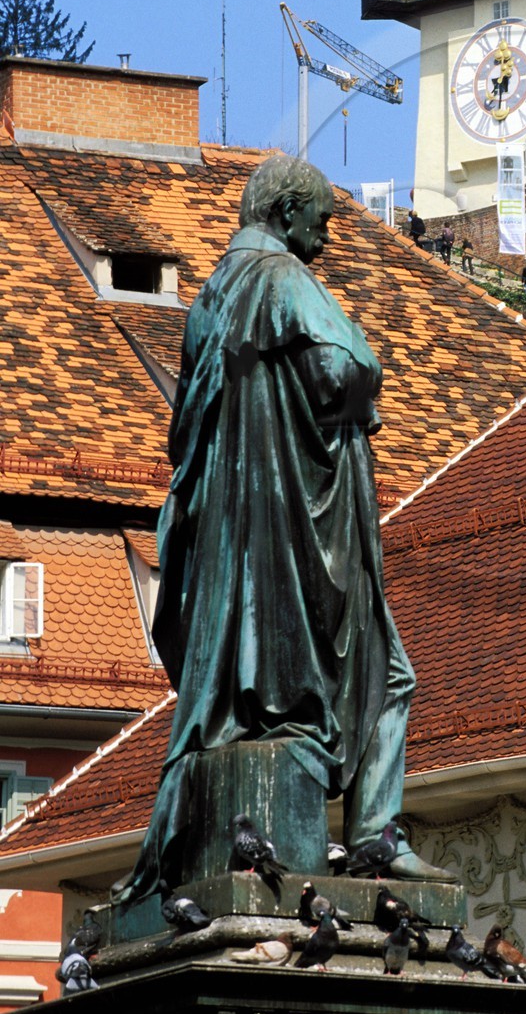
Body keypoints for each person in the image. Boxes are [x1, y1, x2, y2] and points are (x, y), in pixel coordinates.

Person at [121, 155, 444, 898]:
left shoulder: (211, 295)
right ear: (287, 213)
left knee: (349, 680)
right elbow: (343, 367)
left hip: (238, 549)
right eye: (322, 222)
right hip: (304, 531)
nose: (326, 241)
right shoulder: (281, 279)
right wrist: (362, 383)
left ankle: (370, 836)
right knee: (389, 675)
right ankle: (375, 837)